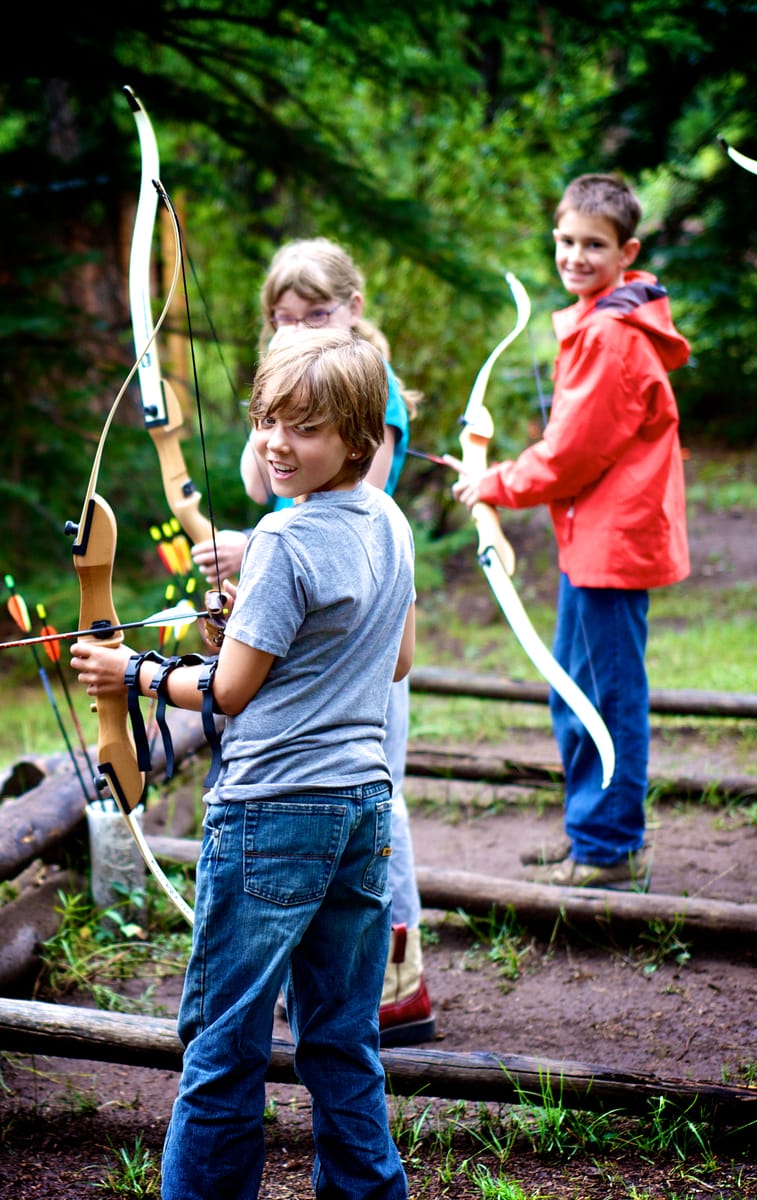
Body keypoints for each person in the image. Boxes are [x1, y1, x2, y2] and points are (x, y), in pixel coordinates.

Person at [72, 327, 414, 1200]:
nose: (276, 443)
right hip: (364, 809)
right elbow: (396, 657)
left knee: (223, 1041)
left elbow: (227, 694)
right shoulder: (390, 520)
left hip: (273, 815)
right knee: (341, 1039)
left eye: (305, 428)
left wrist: (130, 671)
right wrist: (243, 619)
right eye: (269, 420)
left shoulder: (285, 541)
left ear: (359, 438)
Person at [192, 237, 434, 1044]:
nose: (296, 329)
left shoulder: (366, 401)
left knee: (373, 798)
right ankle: (340, 991)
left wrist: (141, 677)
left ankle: (398, 977)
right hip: (313, 616)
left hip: (350, 637)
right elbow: (270, 484)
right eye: (281, 319)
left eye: (315, 316)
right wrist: (276, 417)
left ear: (352, 312)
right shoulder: (296, 410)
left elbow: (342, 504)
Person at [449, 173, 691, 888]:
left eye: (594, 245)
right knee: (575, 690)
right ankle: (596, 833)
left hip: (612, 548)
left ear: (628, 252)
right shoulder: (598, 322)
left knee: (603, 697)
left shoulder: (612, 335)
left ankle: (608, 849)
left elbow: (572, 453)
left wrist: (492, 482)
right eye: (566, 241)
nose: (576, 256)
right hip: (597, 543)